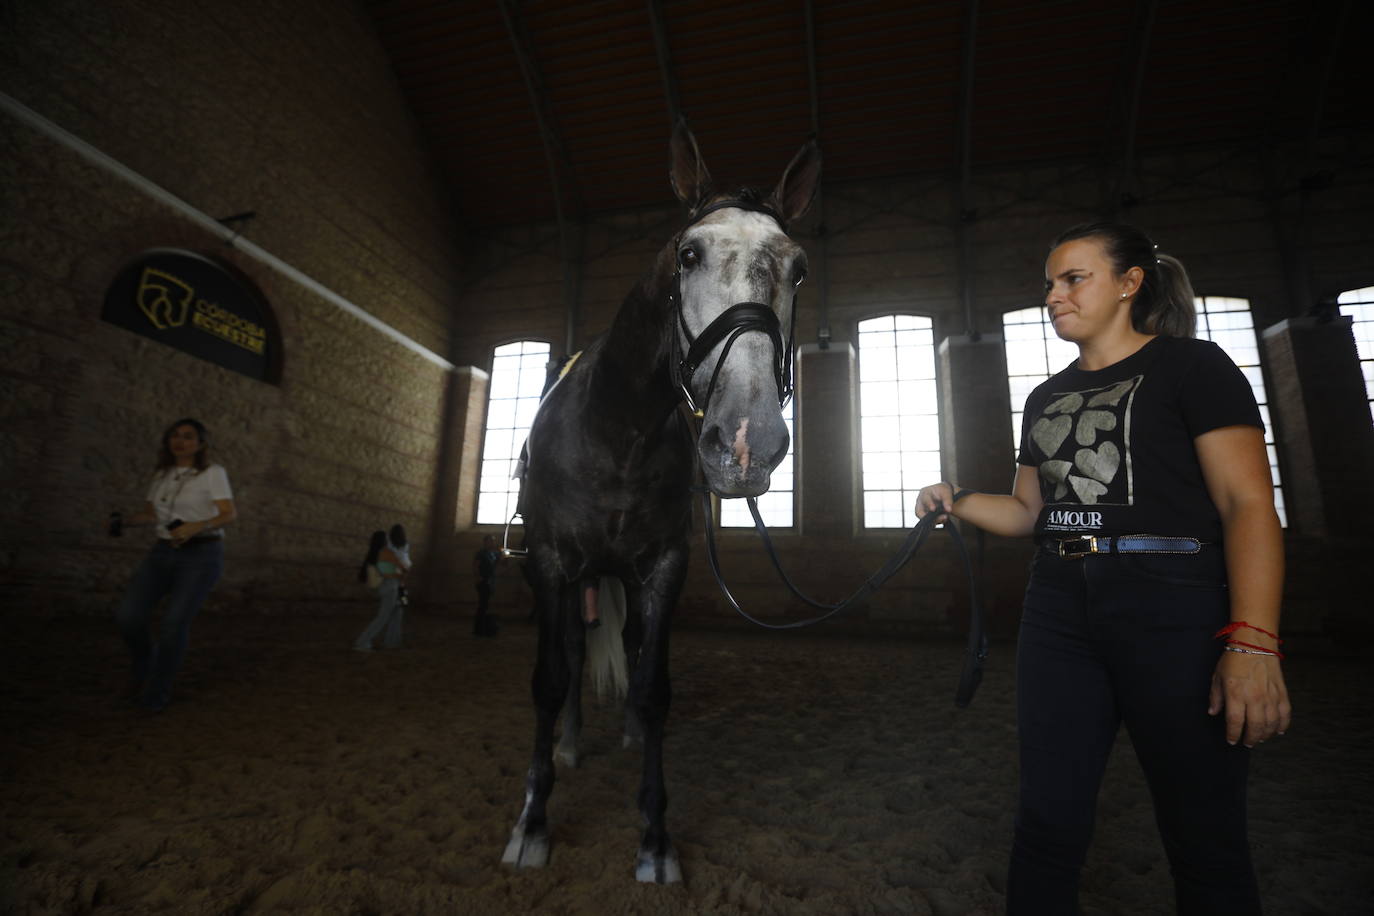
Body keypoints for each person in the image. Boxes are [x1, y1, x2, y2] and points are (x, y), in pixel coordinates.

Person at [916, 221, 1291, 914]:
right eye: (1049, 285)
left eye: (1073, 278)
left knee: (1203, 834)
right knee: (1046, 821)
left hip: (1174, 607)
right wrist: (957, 498)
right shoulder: (1044, 399)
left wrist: (1253, 639)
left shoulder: (1195, 367)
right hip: (1058, 608)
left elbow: (1246, 506)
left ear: (1129, 283)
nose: (1054, 296)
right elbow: (1030, 513)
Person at [111, 418, 236, 712]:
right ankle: (144, 663)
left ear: (201, 444)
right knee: (128, 616)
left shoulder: (212, 473)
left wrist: (198, 525)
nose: (181, 441)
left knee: (173, 624)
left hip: (201, 555)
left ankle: (156, 692)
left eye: (189, 437)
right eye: (175, 435)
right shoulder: (162, 474)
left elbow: (228, 513)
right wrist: (124, 521)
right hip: (162, 551)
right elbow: (152, 514)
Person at [354, 529, 405, 651]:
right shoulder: (383, 553)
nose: (388, 540)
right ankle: (363, 642)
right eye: (386, 538)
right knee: (384, 616)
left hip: (395, 587)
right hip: (391, 587)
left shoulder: (378, 553)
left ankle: (392, 642)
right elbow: (391, 572)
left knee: (397, 614)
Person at [472, 534, 501, 637]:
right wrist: (478, 577)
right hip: (483, 581)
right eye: (490, 541)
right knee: (482, 605)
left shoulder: (494, 553)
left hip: (490, 581)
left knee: (485, 605)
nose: (492, 543)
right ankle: (478, 628)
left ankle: (483, 627)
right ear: (485, 542)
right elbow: (475, 566)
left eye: (493, 541)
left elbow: (499, 563)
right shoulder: (481, 553)